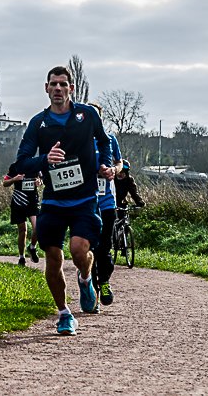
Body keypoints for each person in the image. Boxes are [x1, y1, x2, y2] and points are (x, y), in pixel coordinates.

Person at [15, 65, 114, 336]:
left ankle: (85, 278)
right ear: (46, 89)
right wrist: (44, 159)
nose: (57, 88)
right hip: (54, 201)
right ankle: (64, 314)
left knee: (79, 250)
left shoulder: (88, 114)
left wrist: (105, 164)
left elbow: (104, 143)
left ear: (71, 88)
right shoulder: (38, 123)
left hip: (84, 198)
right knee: (53, 256)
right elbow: (22, 162)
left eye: (62, 84)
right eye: (53, 84)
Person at [88, 102, 123, 309]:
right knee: (88, 248)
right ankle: (91, 291)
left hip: (107, 202)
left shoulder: (110, 139)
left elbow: (119, 162)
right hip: (85, 202)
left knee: (104, 248)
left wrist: (114, 170)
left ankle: (104, 282)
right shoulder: (78, 140)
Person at [2, 164, 41, 266]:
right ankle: (21, 257)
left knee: (37, 228)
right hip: (18, 202)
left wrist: (39, 182)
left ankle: (32, 247)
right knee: (23, 230)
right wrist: (14, 179)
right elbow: (5, 183)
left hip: (32, 202)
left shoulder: (35, 164)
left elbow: (41, 179)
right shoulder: (15, 167)